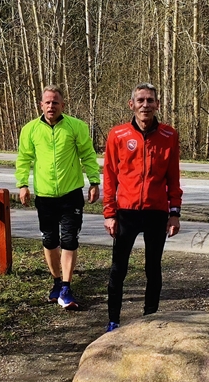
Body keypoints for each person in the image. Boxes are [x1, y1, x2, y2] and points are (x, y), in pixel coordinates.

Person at [101, 83, 183, 333]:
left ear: (157, 105)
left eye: (150, 100)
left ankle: (150, 317)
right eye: (140, 100)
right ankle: (113, 320)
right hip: (126, 212)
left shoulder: (169, 136)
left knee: (153, 268)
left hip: (156, 212)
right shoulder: (118, 135)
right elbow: (110, 176)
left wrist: (175, 213)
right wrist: (109, 213)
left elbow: (173, 177)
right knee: (119, 268)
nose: (145, 105)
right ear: (132, 104)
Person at [15, 85, 100, 310]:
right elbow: (23, 158)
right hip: (44, 196)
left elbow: (88, 155)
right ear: (41, 105)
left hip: (71, 194)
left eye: (55, 102)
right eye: (47, 102)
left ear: (63, 105)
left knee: (69, 240)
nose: (51, 106)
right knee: (49, 240)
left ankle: (66, 286)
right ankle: (55, 281)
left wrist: (94, 181)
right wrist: (22, 184)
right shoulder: (30, 129)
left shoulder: (76, 127)